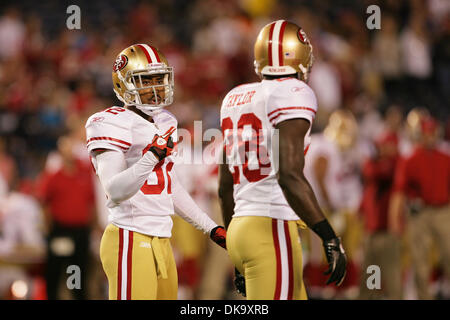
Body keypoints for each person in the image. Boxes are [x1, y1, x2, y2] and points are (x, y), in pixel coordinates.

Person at [85, 44, 226, 300]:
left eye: (159, 79)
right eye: (144, 81)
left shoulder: (166, 121)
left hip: (162, 239)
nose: (155, 89)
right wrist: (151, 156)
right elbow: (115, 191)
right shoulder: (109, 122)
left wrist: (211, 228)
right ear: (123, 85)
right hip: (129, 236)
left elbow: (167, 184)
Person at [218, 20, 347, 300]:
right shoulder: (294, 92)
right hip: (271, 226)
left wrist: (233, 245)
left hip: (240, 226)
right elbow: (288, 174)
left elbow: (224, 186)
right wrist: (328, 235)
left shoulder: (234, 97)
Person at [389, 115, 450, 299]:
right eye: (427, 133)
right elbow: (399, 192)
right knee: (420, 261)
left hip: (443, 211)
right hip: (419, 213)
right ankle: (424, 296)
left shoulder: (445, 157)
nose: (430, 137)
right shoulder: (410, 159)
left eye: (433, 133)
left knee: (449, 254)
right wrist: (394, 220)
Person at [37, 135, 96, 300]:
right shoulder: (54, 176)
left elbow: (91, 202)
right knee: (56, 267)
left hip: (80, 232)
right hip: (61, 230)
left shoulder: (85, 173)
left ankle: (76, 296)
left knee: (77, 269)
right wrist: (48, 228)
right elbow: (43, 202)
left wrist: (94, 226)